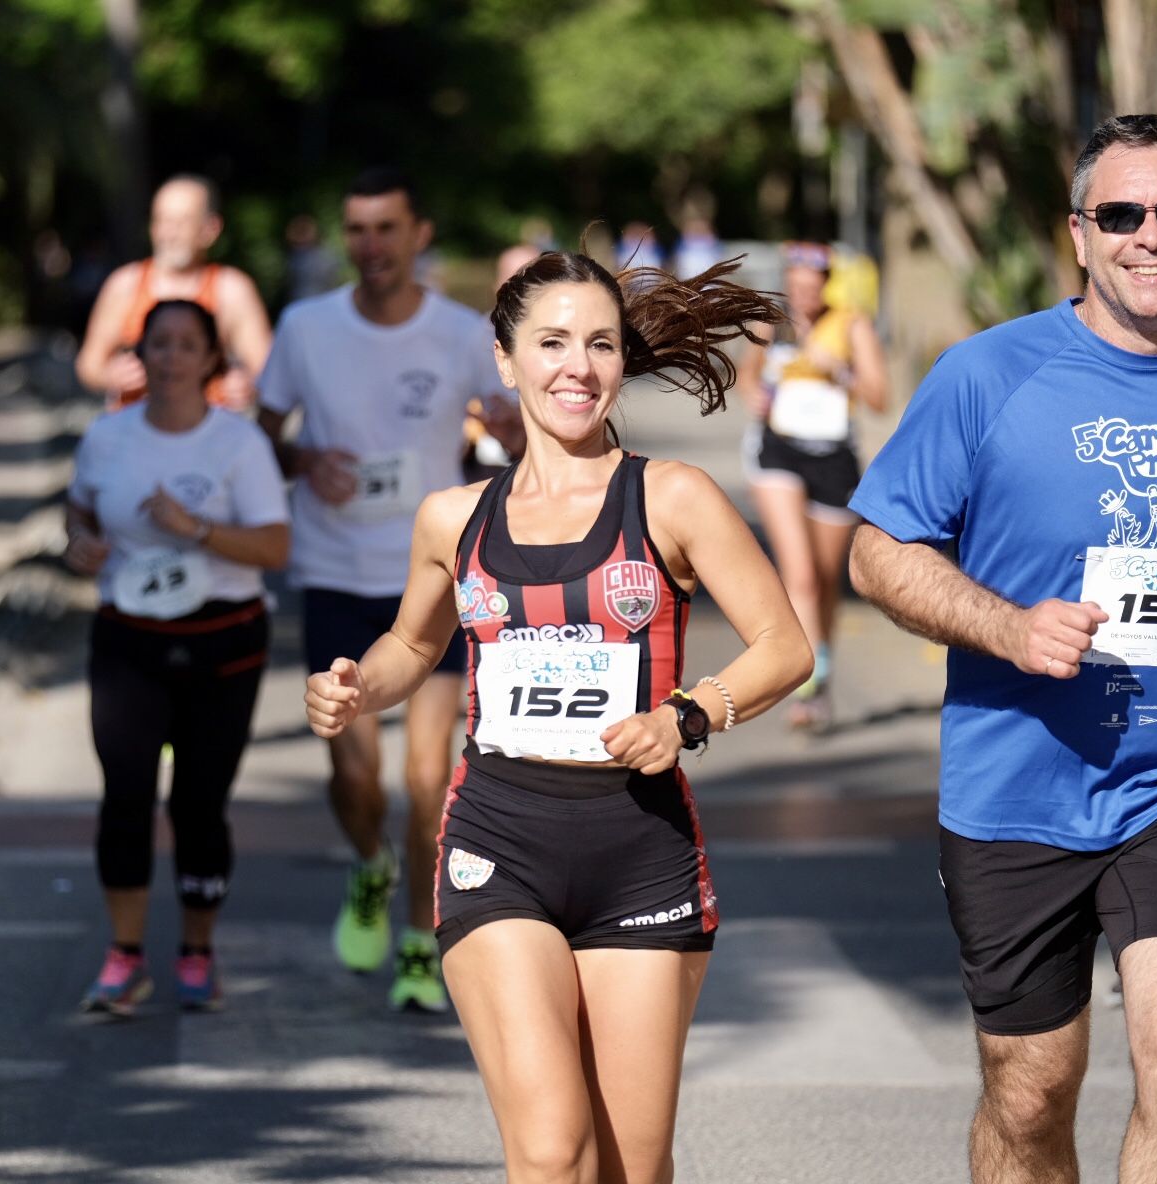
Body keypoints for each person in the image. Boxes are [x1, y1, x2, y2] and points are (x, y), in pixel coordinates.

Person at [848, 114, 1157, 1184]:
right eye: (1120, 214)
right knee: (1030, 1092)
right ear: (1077, 233)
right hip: (1015, 787)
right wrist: (1006, 623)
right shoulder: (988, 375)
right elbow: (877, 550)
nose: (1150, 235)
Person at [305, 249, 811, 1182]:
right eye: (551, 343)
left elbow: (785, 646)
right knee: (550, 1153)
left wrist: (691, 715)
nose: (576, 367)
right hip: (497, 840)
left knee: (630, 1167)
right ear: (503, 360)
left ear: (622, 362)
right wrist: (356, 687)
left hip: (639, 851)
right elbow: (412, 648)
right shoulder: (452, 518)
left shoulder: (671, 498)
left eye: (600, 344)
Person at [258, 167, 522, 1014]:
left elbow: (508, 422)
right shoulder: (305, 327)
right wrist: (304, 461)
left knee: (426, 772)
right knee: (357, 774)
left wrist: (513, 430)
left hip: (435, 577)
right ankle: (369, 864)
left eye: (386, 229)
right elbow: (262, 432)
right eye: (358, 229)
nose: (371, 245)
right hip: (335, 571)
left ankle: (418, 937)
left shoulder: (459, 331)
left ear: (419, 235)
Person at [64, 299, 290, 1015]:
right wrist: (80, 541)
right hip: (128, 636)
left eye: (186, 345)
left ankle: (197, 950)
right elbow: (78, 510)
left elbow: (274, 548)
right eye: (157, 344)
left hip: (222, 639)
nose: (170, 358)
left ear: (210, 361)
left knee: (199, 804)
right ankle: (124, 957)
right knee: (125, 795)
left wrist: (193, 528)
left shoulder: (238, 444)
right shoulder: (107, 436)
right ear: (140, 355)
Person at [740, 241, 889, 727]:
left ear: (826, 284)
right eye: (795, 286)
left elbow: (879, 396)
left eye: (812, 286)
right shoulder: (772, 321)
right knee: (800, 574)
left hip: (834, 458)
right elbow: (747, 373)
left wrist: (839, 371)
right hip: (778, 450)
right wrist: (756, 398)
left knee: (825, 580)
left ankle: (820, 676)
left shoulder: (850, 324)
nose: (802, 295)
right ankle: (804, 683)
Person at [76, 175, 272, 412]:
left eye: (182, 222)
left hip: (207, 435)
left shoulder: (231, 289)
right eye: (162, 220)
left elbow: (269, 369)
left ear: (210, 229)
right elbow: (89, 364)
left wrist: (247, 384)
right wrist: (110, 375)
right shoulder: (125, 284)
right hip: (137, 431)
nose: (170, 233)